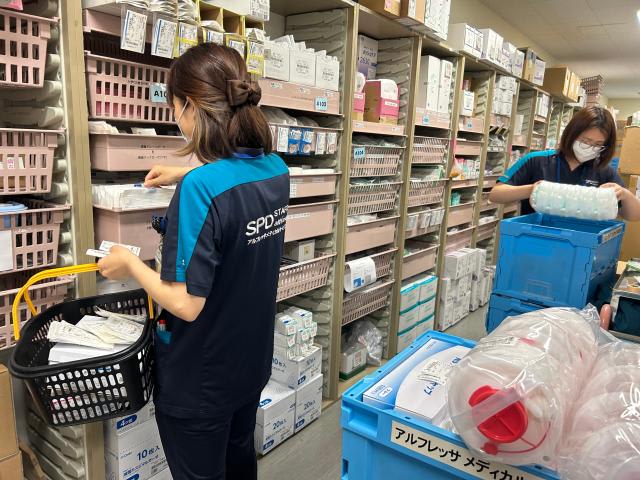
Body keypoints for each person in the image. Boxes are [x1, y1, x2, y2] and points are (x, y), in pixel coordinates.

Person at [97, 43, 290, 480]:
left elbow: (186, 304)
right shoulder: (276, 169)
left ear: (188, 105)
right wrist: (185, 171)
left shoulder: (200, 191)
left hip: (202, 380)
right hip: (249, 363)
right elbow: (236, 180)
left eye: (174, 105)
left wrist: (130, 265)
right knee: (239, 463)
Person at [489, 105, 640, 221]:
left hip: (581, 242)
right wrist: (533, 189)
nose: (590, 147)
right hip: (537, 238)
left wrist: (625, 194)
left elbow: (634, 216)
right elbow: (496, 194)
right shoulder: (537, 160)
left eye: (598, 144)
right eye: (585, 141)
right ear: (571, 134)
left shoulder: (604, 172)